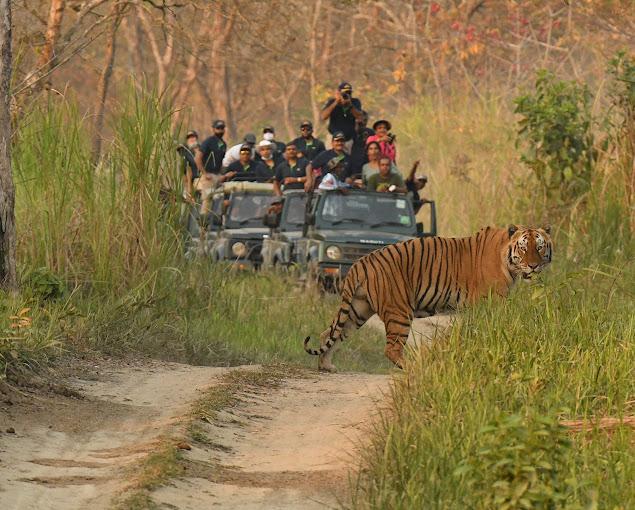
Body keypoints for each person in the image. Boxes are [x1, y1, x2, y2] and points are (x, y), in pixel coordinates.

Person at [320, 82, 363, 153]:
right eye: (344, 92)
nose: (347, 95)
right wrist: (336, 102)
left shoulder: (355, 102)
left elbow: (360, 117)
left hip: (348, 139)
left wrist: (350, 105)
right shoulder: (332, 101)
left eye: (349, 92)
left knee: (346, 160)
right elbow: (323, 117)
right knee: (330, 158)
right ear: (339, 93)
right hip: (333, 137)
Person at [177, 130, 204, 203]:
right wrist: (189, 189)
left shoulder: (201, 150)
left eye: (193, 137)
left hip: (201, 179)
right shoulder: (184, 153)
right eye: (189, 137)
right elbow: (186, 171)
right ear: (187, 140)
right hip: (191, 182)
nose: (191, 139)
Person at [349, 111, 375, 176]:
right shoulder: (352, 131)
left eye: (365, 120)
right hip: (354, 162)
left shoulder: (370, 132)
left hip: (367, 162)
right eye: (361, 119)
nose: (363, 122)